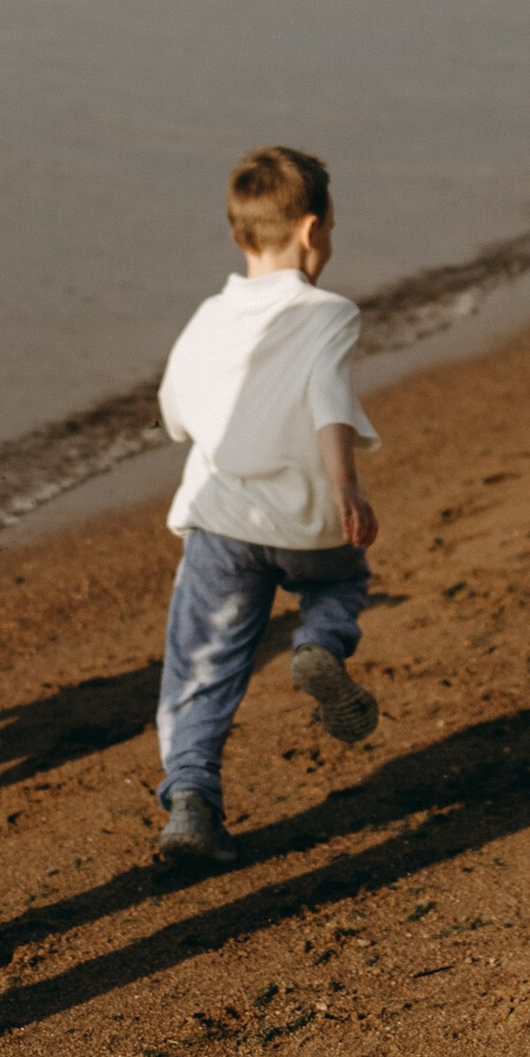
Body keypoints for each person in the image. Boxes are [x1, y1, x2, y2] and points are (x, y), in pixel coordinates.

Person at [150, 144, 380, 869]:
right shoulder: (330, 314)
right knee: (339, 581)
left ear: (239, 233)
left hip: (222, 521)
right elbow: (329, 400)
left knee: (202, 665)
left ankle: (191, 804)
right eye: (331, 231)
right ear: (313, 232)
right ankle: (319, 644)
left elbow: (176, 417)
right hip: (308, 516)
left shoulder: (207, 319)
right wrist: (346, 485)